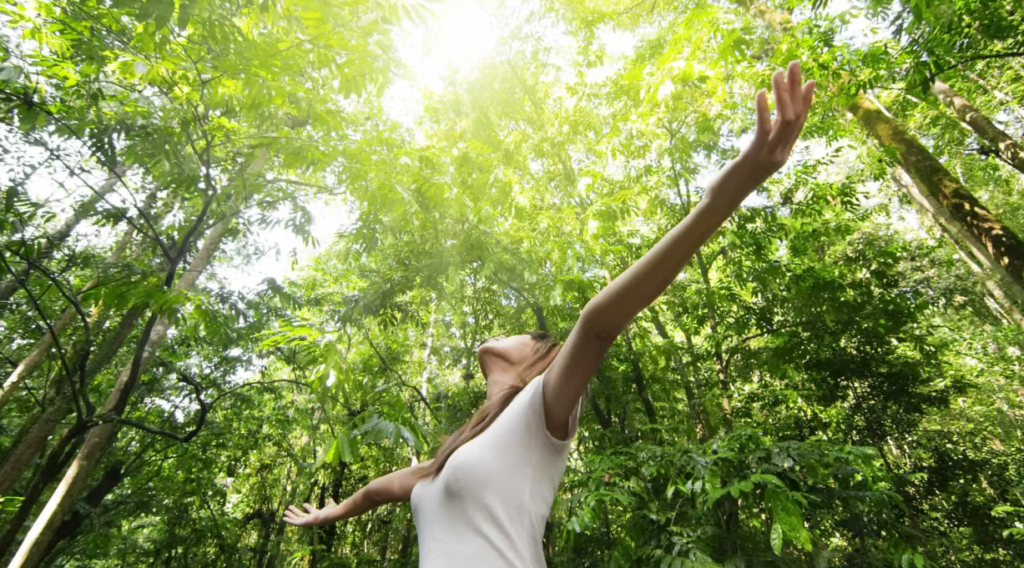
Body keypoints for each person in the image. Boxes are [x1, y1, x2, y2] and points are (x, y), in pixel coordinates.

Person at [283, 62, 816, 567]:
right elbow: (381, 489)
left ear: (541, 361)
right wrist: (334, 510)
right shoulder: (448, 460)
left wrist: (726, 194)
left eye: (528, 333)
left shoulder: (541, 411)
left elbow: (599, 324)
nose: (505, 331)